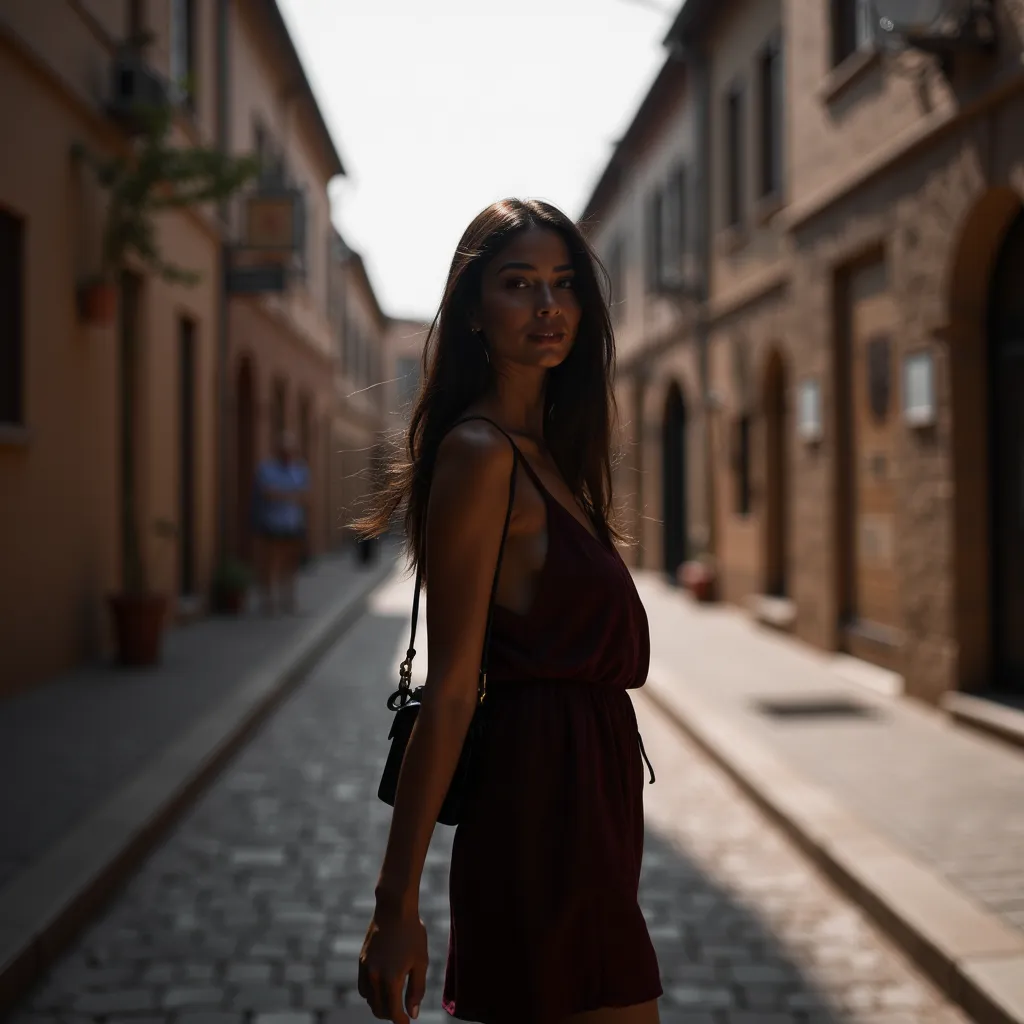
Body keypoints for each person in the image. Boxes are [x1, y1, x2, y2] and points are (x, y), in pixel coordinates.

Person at [355, 199, 662, 1024]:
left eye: (563, 285)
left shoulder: (554, 457)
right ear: (472, 312)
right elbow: (453, 689)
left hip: (591, 809)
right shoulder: (482, 455)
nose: (547, 306)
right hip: (540, 811)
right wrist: (396, 906)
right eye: (518, 284)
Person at [252, 430, 310, 614]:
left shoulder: (299, 469)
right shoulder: (267, 469)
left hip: (293, 523)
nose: (287, 454)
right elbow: (267, 493)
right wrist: (290, 495)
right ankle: (268, 602)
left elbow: (305, 496)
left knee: (290, 564)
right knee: (269, 563)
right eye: (284, 450)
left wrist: (283, 495)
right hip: (271, 523)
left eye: (290, 450)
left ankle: (289, 600)